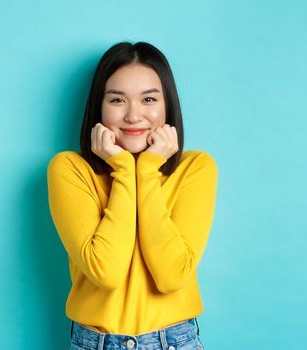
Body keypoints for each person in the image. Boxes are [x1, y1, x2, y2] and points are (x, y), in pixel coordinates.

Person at [47, 41, 217, 350]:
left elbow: (171, 276)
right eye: (117, 100)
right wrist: (124, 168)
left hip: (175, 342)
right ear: (99, 106)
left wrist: (148, 168)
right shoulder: (69, 169)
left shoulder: (196, 168)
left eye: (149, 99)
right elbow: (106, 271)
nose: (133, 115)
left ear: (168, 106)